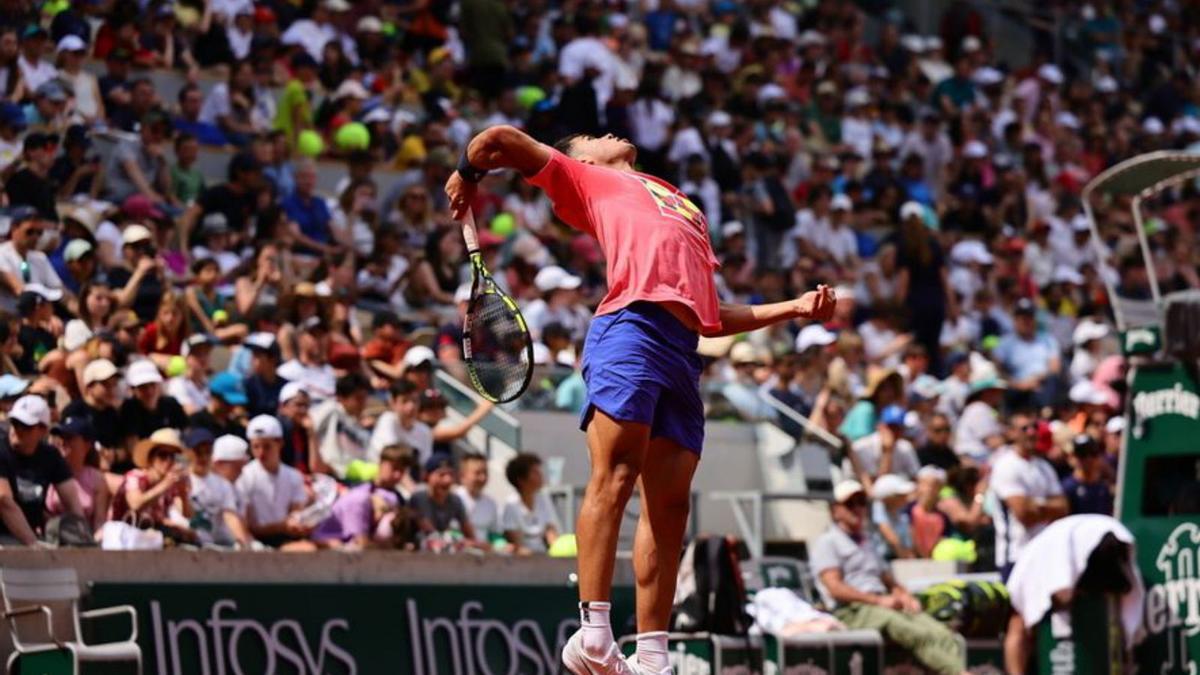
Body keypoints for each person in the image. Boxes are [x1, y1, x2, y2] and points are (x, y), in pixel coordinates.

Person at [445, 125, 836, 675]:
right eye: (587, 136)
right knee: (617, 475)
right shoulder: (586, 178)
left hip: (682, 350)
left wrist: (792, 308)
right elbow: (499, 140)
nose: (604, 132)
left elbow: (709, 312)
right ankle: (595, 634)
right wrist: (467, 173)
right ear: (579, 158)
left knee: (670, 509)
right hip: (630, 329)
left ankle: (653, 656)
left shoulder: (683, 205)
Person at [810, 480, 968, 675]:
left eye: (861, 502)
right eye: (850, 504)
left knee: (941, 632)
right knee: (912, 632)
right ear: (835, 510)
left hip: (878, 605)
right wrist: (878, 600)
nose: (858, 509)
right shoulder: (827, 542)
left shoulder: (867, 541)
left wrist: (904, 595)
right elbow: (835, 588)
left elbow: (888, 580)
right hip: (850, 610)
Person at [990, 411, 1069, 580]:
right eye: (1024, 429)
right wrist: (1046, 506)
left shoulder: (1044, 467)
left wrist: (1035, 504)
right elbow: (1024, 514)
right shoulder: (1006, 465)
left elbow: (1063, 508)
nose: (1032, 433)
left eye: (1034, 427)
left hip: (1042, 553)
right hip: (1015, 555)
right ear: (1012, 433)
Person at [0, 395, 82, 545]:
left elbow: (73, 504)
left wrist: (83, 540)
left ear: (43, 430)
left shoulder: (50, 456)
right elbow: (3, 501)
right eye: (15, 423)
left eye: (26, 425)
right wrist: (33, 545)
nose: (18, 430)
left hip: (28, 536)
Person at [313, 444, 412, 549]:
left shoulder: (397, 497)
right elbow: (361, 545)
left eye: (402, 471)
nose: (397, 475)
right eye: (394, 468)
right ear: (381, 463)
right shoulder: (359, 496)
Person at [237, 414, 313, 548]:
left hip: (284, 539)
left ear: (280, 444)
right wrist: (281, 527)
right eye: (256, 447)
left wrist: (296, 525)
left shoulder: (294, 476)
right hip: (256, 542)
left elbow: (296, 514)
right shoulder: (245, 476)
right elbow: (248, 525)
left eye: (267, 446)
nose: (261, 453)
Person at [113, 428, 195, 542]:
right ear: (151, 458)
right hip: (123, 537)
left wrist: (182, 493)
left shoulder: (169, 483)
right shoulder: (135, 477)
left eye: (173, 456)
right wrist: (165, 484)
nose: (168, 461)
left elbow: (187, 514)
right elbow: (136, 505)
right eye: (163, 455)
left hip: (149, 537)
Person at [184, 429, 253, 549]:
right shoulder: (180, 480)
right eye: (198, 452)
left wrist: (244, 544)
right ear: (188, 453)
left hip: (216, 544)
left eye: (208, 452)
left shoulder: (222, 485)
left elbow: (230, 516)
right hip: (189, 542)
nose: (203, 457)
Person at [46, 415, 110, 536]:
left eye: (69, 438)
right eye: (61, 437)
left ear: (87, 445)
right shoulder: (48, 470)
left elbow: (99, 521)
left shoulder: (97, 479)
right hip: (49, 538)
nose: (63, 442)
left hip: (82, 540)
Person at [409, 453, 482, 547]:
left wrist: (476, 544)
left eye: (450, 474)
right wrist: (457, 542)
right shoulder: (419, 498)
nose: (447, 480)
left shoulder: (455, 500)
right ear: (427, 476)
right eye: (441, 474)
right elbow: (429, 532)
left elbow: (470, 534)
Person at [369, 379, 433, 465]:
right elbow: (388, 459)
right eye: (404, 401)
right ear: (393, 403)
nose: (411, 407)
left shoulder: (425, 431)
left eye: (415, 401)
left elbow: (423, 464)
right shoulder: (387, 420)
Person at [454, 451, 500, 543]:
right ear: (462, 476)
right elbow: (450, 534)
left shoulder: (491, 503)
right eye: (477, 473)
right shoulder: (452, 499)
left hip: (485, 554)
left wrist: (503, 546)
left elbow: (495, 536)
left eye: (485, 473)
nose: (483, 478)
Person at [1061, 434, 1113, 515]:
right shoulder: (1067, 487)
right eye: (1082, 454)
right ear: (1073, 457)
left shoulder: (1103, 487)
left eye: (1092, 454)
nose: (1088, 459)